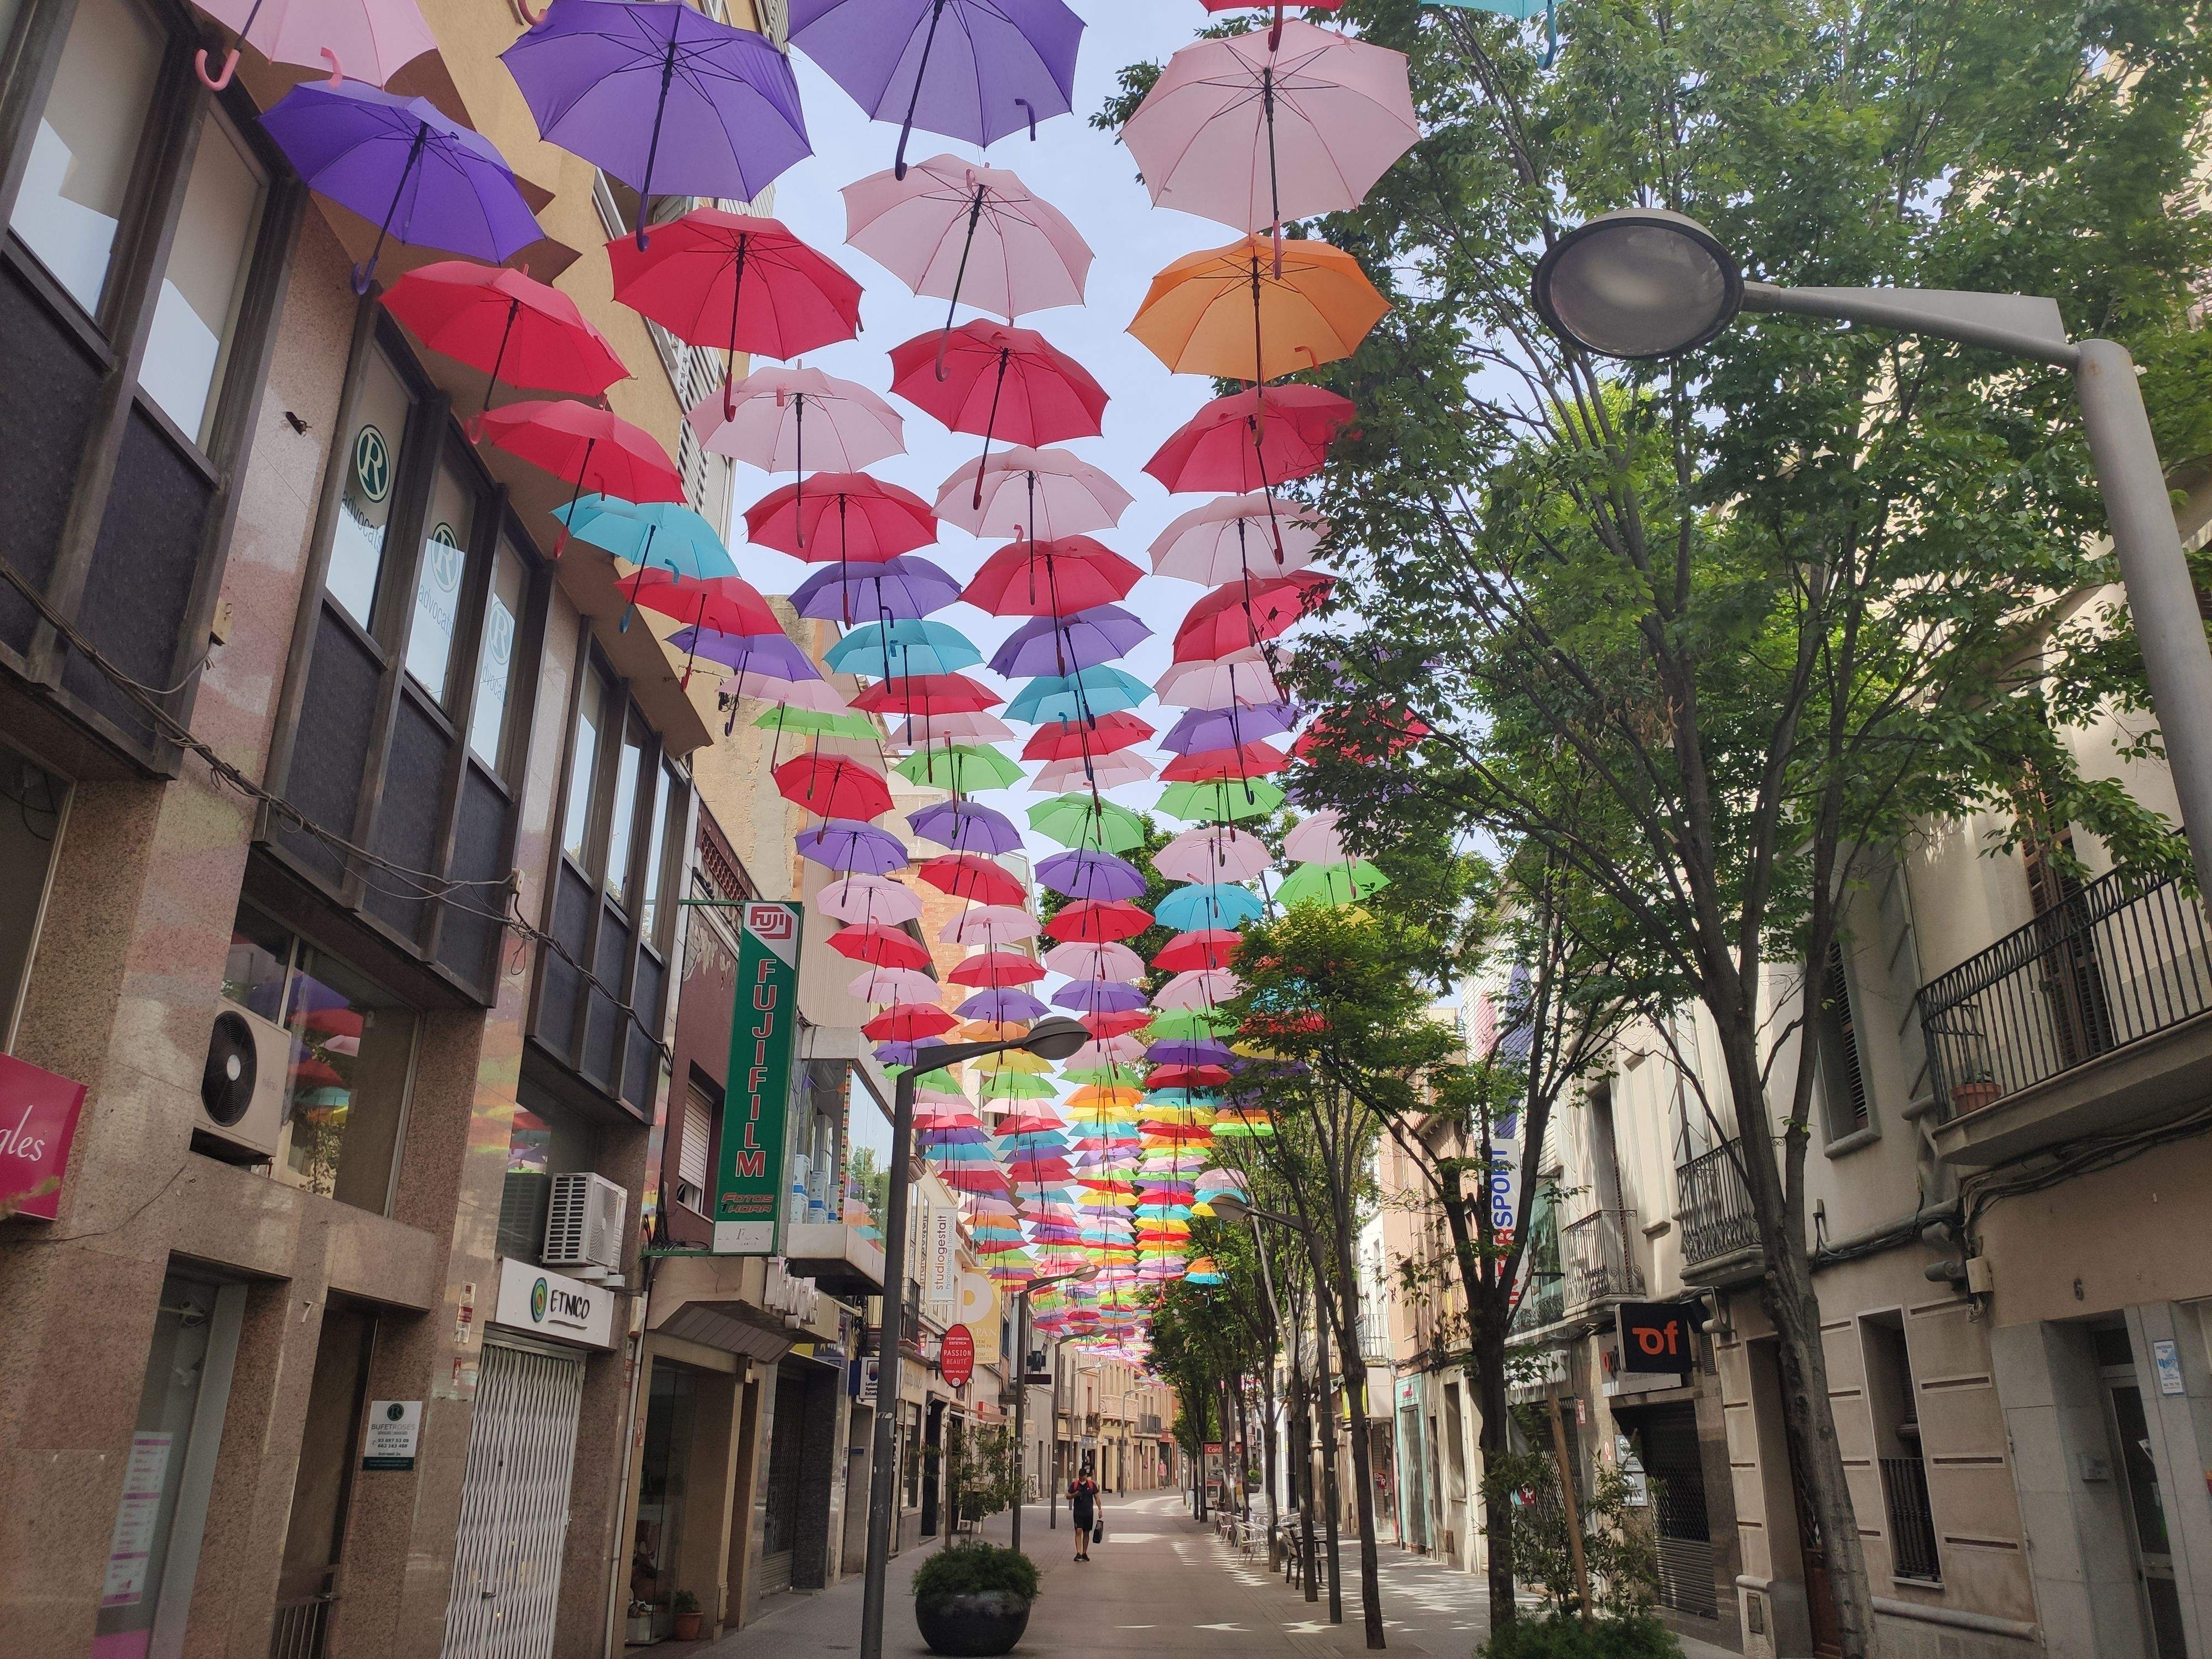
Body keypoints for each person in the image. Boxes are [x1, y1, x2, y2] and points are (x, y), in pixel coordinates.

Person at [1068, 1467, 1100, 1562]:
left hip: (1089, 1513)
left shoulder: (1091, 1485)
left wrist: (1100, 1509)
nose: (1083, 1479)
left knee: (1086, 1533)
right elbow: (1068, 1496)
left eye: (1084, 1477)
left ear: (1086, 1476)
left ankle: (1084, 1553)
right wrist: (1075, 1495)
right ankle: (1078, 1553)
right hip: (1078, 1512)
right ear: (1079, 1476)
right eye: (1081, 1477)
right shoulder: (1075, 1485)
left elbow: (1097, 1497)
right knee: (1078, 1531)